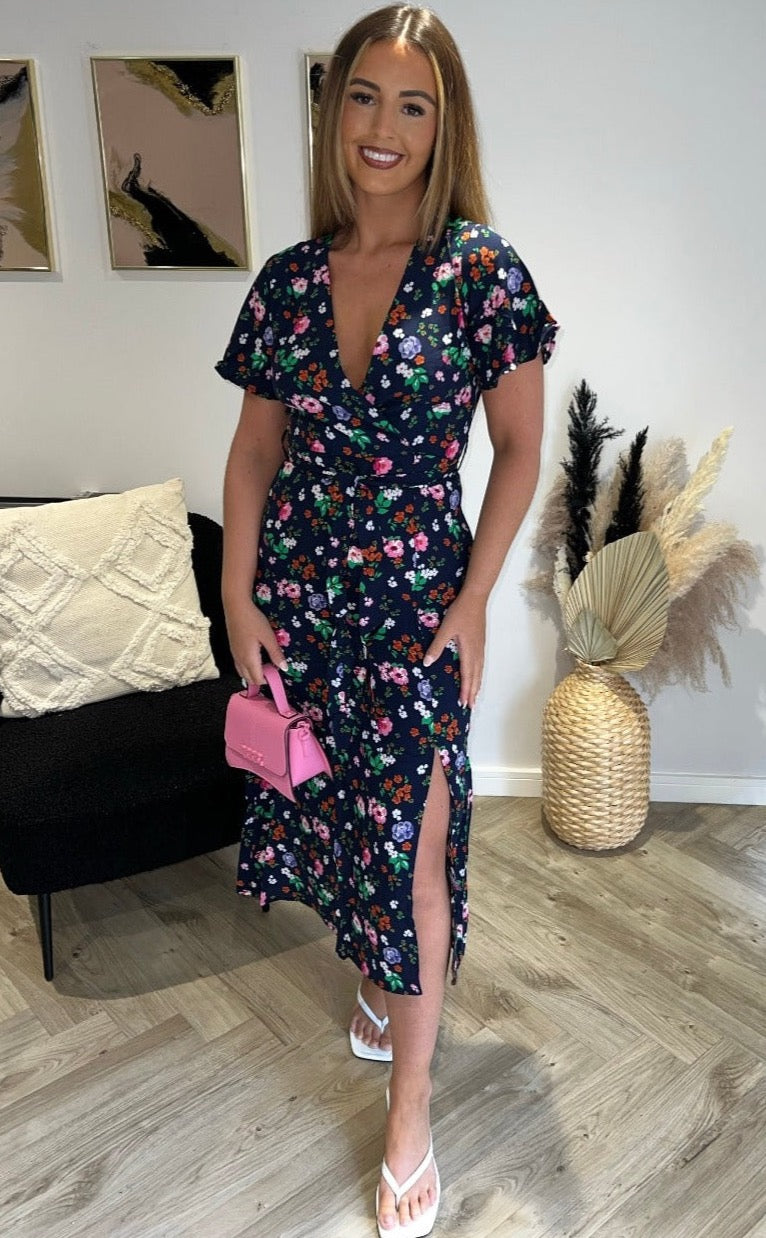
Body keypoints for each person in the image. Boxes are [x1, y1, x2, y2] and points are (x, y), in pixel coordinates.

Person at [215, 6, 558, 1234]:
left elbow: (519, 449)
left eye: (413, 105)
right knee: (335, 812)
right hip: (303, 603)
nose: (383, 126)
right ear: (334, 108)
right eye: (363, 95)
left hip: (419, 610)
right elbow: (254, 453)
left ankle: (410, 1106)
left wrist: (473, 599)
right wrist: (237, 590)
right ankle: (374, 981)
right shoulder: (288, 281)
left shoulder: (480, 272)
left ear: (442, 125)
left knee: (415, 842)